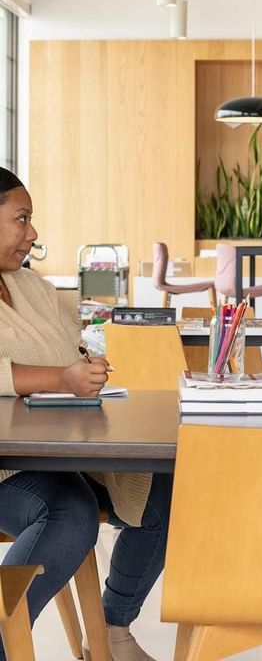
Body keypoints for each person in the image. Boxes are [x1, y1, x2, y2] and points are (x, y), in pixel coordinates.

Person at [0, 167, 170, 661]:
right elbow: (53, 372)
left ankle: (113, 630)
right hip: (9, 467)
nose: (33, 232)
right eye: (21, 219)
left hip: (57, 453)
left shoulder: (31, 286)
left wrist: (85, 367)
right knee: (69, 510)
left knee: (161, 486)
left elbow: (68, 349)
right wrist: (61, 378)